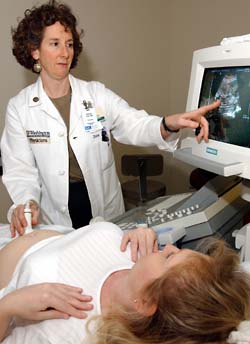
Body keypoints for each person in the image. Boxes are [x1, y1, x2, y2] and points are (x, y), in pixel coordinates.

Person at [0, 0, 220, 236]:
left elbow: (133, 123)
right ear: (35, 50)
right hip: (54, 212)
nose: (65, 53)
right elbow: (20, 170)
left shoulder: (96, 94)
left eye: (69, 44)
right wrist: (27, 202)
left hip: (104, 207)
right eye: (54, 44)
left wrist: (166, 123)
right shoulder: (20, 107)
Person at [0, 222, 249, 343]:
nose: (170, 245)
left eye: (170, 256)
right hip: (39, 228)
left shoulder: (63, 330)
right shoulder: (137, 260)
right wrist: (133, 230)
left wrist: (7, 307)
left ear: (146, 302)